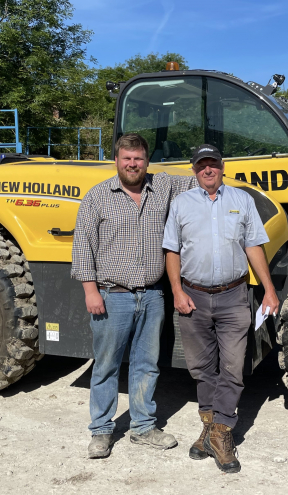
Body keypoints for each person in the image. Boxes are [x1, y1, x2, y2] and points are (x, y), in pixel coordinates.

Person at [71, 133, 197, 459]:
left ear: (147, 161)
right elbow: (83, 246)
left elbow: (201, 180)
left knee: (147, 365)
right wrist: (90, 291)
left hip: (153, 296)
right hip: (112, 296)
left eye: (138, 158)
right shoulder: (97, 196)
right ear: (116, 160)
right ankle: (100, 431)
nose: (132, 164)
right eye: (126, 158)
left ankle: (142, 427)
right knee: (106, 366)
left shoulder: (163, 187)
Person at [162, 144, 280, 473]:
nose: (208, 170)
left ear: (223, 167)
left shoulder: (242, 200)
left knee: (231, 367)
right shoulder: (181, 204)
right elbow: (172, 250)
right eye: (202, 165)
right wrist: (176, 291)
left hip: (233, 296)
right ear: (194, 170)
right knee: (201, 369)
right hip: (193, 296)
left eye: (213, 164)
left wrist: (269, 289)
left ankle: (222, 431)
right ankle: (210, 430)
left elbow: (253, 246)